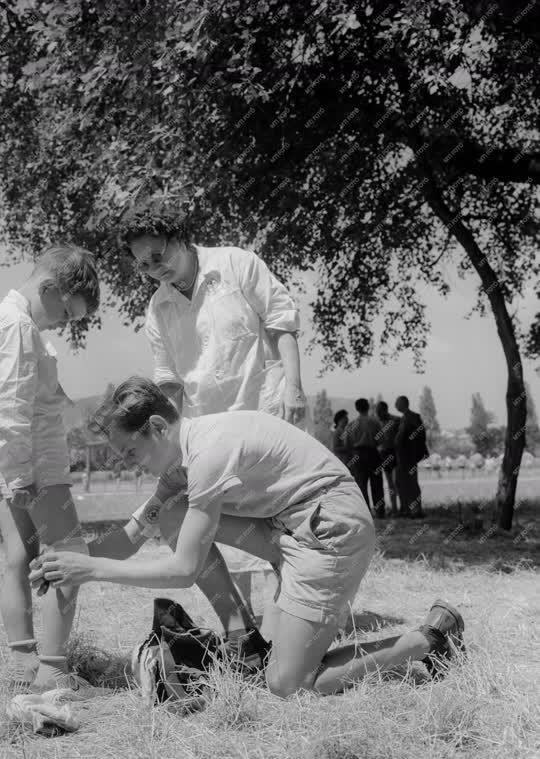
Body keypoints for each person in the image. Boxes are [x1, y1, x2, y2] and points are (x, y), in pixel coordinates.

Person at [30, 378, 466, 698]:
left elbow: (183, 569)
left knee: (287, 683)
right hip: (290, 531)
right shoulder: (181, 464)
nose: (131, 464)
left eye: (131, 452)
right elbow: (131, 537)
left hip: (328, 530)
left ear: (158, 426)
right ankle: (244, 638)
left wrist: (90, 570)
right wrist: (67, 562)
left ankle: (427, 640)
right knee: (175, 513)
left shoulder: (208, 454)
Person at [120, 203, 308, 641]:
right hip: (210, 437)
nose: (154, 268)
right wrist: (169, 443)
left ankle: (293, 626)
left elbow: (282, 321)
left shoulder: (235, 264)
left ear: (180, 237)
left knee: (284, 526)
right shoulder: (158, 309)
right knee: (196, 522)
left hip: (268, 420)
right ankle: (240, 628)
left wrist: (294, 387)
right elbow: (169, 384)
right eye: (143, 264)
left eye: (158, 255)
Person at [0, 242, 100, 691]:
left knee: (18, 558)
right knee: (70, 558)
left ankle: (23, 661)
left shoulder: (8, 321)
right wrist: (24, 474)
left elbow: (25, 396)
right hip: (36, 465)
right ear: (51, 289)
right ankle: (51, 668)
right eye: (66, 314)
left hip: (17, 460)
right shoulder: (17, 325)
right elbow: (11, 405)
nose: (63, 324)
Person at [343, 399, 385, 517]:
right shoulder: (375, 422)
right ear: (368, 407)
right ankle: (380, 511)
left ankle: (365, 513)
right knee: (376, 483)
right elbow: (381, 440)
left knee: (361, 484)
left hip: (358, 455)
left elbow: (346, 443)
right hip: (373, 453)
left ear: (357, 409)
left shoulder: (352, 424)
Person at [394, 396, 427, 518]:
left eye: (397, 403)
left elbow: (419, 437)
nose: (395, 405)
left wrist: (417, 453)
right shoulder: (405, 418)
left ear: (403, 404)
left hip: (408, 456)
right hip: (404, 456)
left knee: (410, 483)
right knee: (403, 483)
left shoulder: (412, 418)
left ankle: (414, 510)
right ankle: (408, 509)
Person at [375, 401, 400, 517]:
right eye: (376, 412)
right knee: (390, 483)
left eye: (379, 411)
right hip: (383, 455)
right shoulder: (376, 423)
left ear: (385, 410)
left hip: (396, 454)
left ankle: (403, 508)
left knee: (397, 482)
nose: (377, 414)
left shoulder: (396, 420)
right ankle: (394, 508)